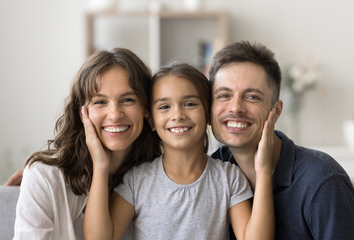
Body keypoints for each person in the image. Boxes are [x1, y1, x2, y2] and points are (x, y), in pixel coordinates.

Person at [84, 62, 277, 240]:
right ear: (151, 120)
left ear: (208, 114)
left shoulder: (229, 178)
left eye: (190, 104)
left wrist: (264, 171)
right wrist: (100, 166)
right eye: (164, 106)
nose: (177, 115)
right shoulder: (137, 180)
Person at [209, 40, 354, 239]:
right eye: (224, 95)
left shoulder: (323, 181)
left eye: (252, 97)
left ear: (275, 111)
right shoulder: (212, 173)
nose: (235, 108)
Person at [13, 48, 161, 239]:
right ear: (82, 112)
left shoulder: (155, 180)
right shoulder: (44, 178)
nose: (115, 114)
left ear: (146, 109)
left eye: (128, 100)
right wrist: (101, 165)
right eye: (100, 102)